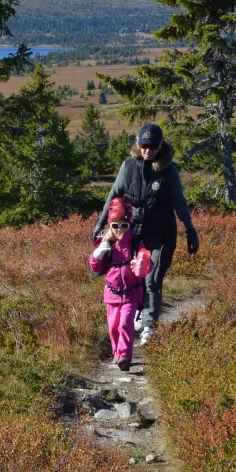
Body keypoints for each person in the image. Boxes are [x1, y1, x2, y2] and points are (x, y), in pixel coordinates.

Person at [93, 123, 198, 344]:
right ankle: (140, 312)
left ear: (160, 146)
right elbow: (113, 196)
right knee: (134, 276)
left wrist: (190, 230)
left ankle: (149, 325)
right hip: (135, 233)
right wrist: (100, 224)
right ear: (138, 144)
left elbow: (179, 202)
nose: (147, 151)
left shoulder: (169, 171)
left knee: (152, 278)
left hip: (162, 235)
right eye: (143, 145)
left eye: (152, 147)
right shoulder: (129, 166)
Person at [89, 197, 151, 372]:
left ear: (129, 225)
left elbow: (147, 262)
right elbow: (95, 267)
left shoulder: (135, 243)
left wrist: (140, 264)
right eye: (115, 225)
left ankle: (125, 356)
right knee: (114, 326)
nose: (119, 230)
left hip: (131, 293)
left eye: (123, 225)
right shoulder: (106, 243)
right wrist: (98, 253)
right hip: (112, 293)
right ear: (110, 226)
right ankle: (117, 353)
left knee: (125, 323)